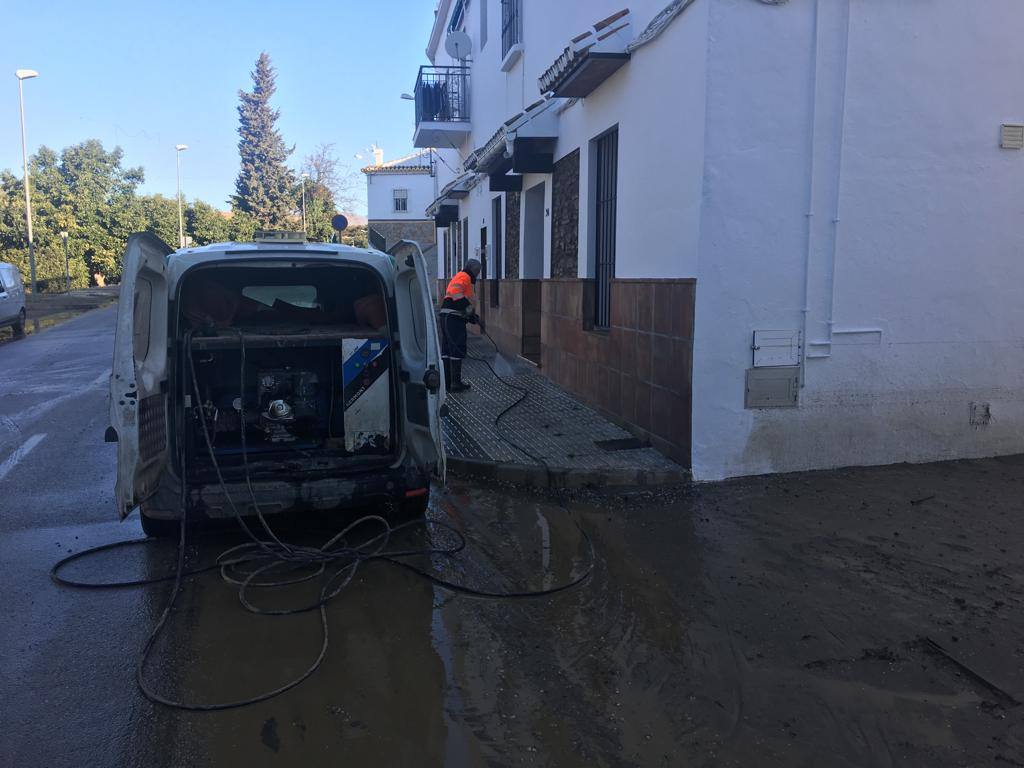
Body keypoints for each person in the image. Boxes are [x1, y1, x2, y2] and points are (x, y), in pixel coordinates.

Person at [439, 258, 481, 392]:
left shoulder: (461, 276)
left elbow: (457, 298)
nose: (478, 274)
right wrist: (469, 310)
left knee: (447, 350)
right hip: (452, 318)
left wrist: (470, 316)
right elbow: (456, 294)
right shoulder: (465, 276)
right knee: (457, 348)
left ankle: (447, 383)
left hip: (447, 316)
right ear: (474, 269)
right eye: (478, 271)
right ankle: (455, 384)